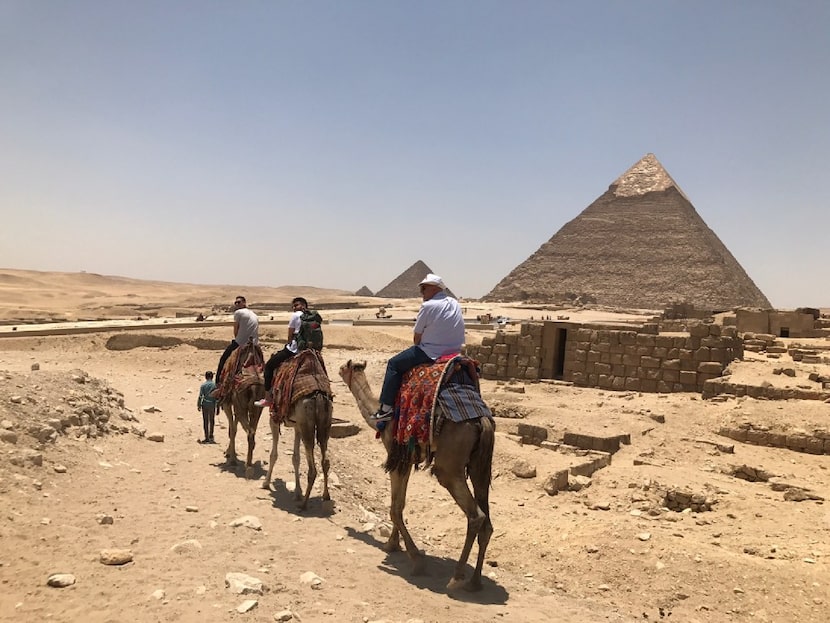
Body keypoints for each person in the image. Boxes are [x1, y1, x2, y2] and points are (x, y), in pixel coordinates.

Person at [372, 273, 465, 422]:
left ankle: (386, 409)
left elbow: (416, 338)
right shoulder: (454, 303)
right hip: (455, 352)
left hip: (432, 352)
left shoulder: (428, 306)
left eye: (423, 289)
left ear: (434, 289)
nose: (421, 293)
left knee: (394, 364)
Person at [254, 296, 309, 408]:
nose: (294, 307)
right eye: (293, 306)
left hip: (295, 349)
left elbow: (290, 334)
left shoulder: (295, 315)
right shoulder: (313, 316)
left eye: (296, 305)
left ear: (303, 305)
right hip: (310, 350)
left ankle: (268, 398)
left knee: (269, 367)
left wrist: (288, 344)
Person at [215, 295, 259, 385]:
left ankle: (217, 384)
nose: (237, 304)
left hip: (241, 343)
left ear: (244, 303)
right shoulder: (254, 314)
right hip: (254, 344)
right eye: (236, 303)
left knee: (223, 359)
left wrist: (237, 341)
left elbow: (236, 330)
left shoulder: (238, 312)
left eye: (239, 302)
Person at [197, 371, 217, 443]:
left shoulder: (203, 385)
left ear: (205, 377)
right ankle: (211, 435)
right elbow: (217, 397)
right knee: (212, 420)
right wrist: (217, 406)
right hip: (212, 404)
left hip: (205, 404)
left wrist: (199, 405)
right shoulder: (215, 385)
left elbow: (200, 396)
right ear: (212, 377)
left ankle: (206, 437)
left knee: (205, 421)